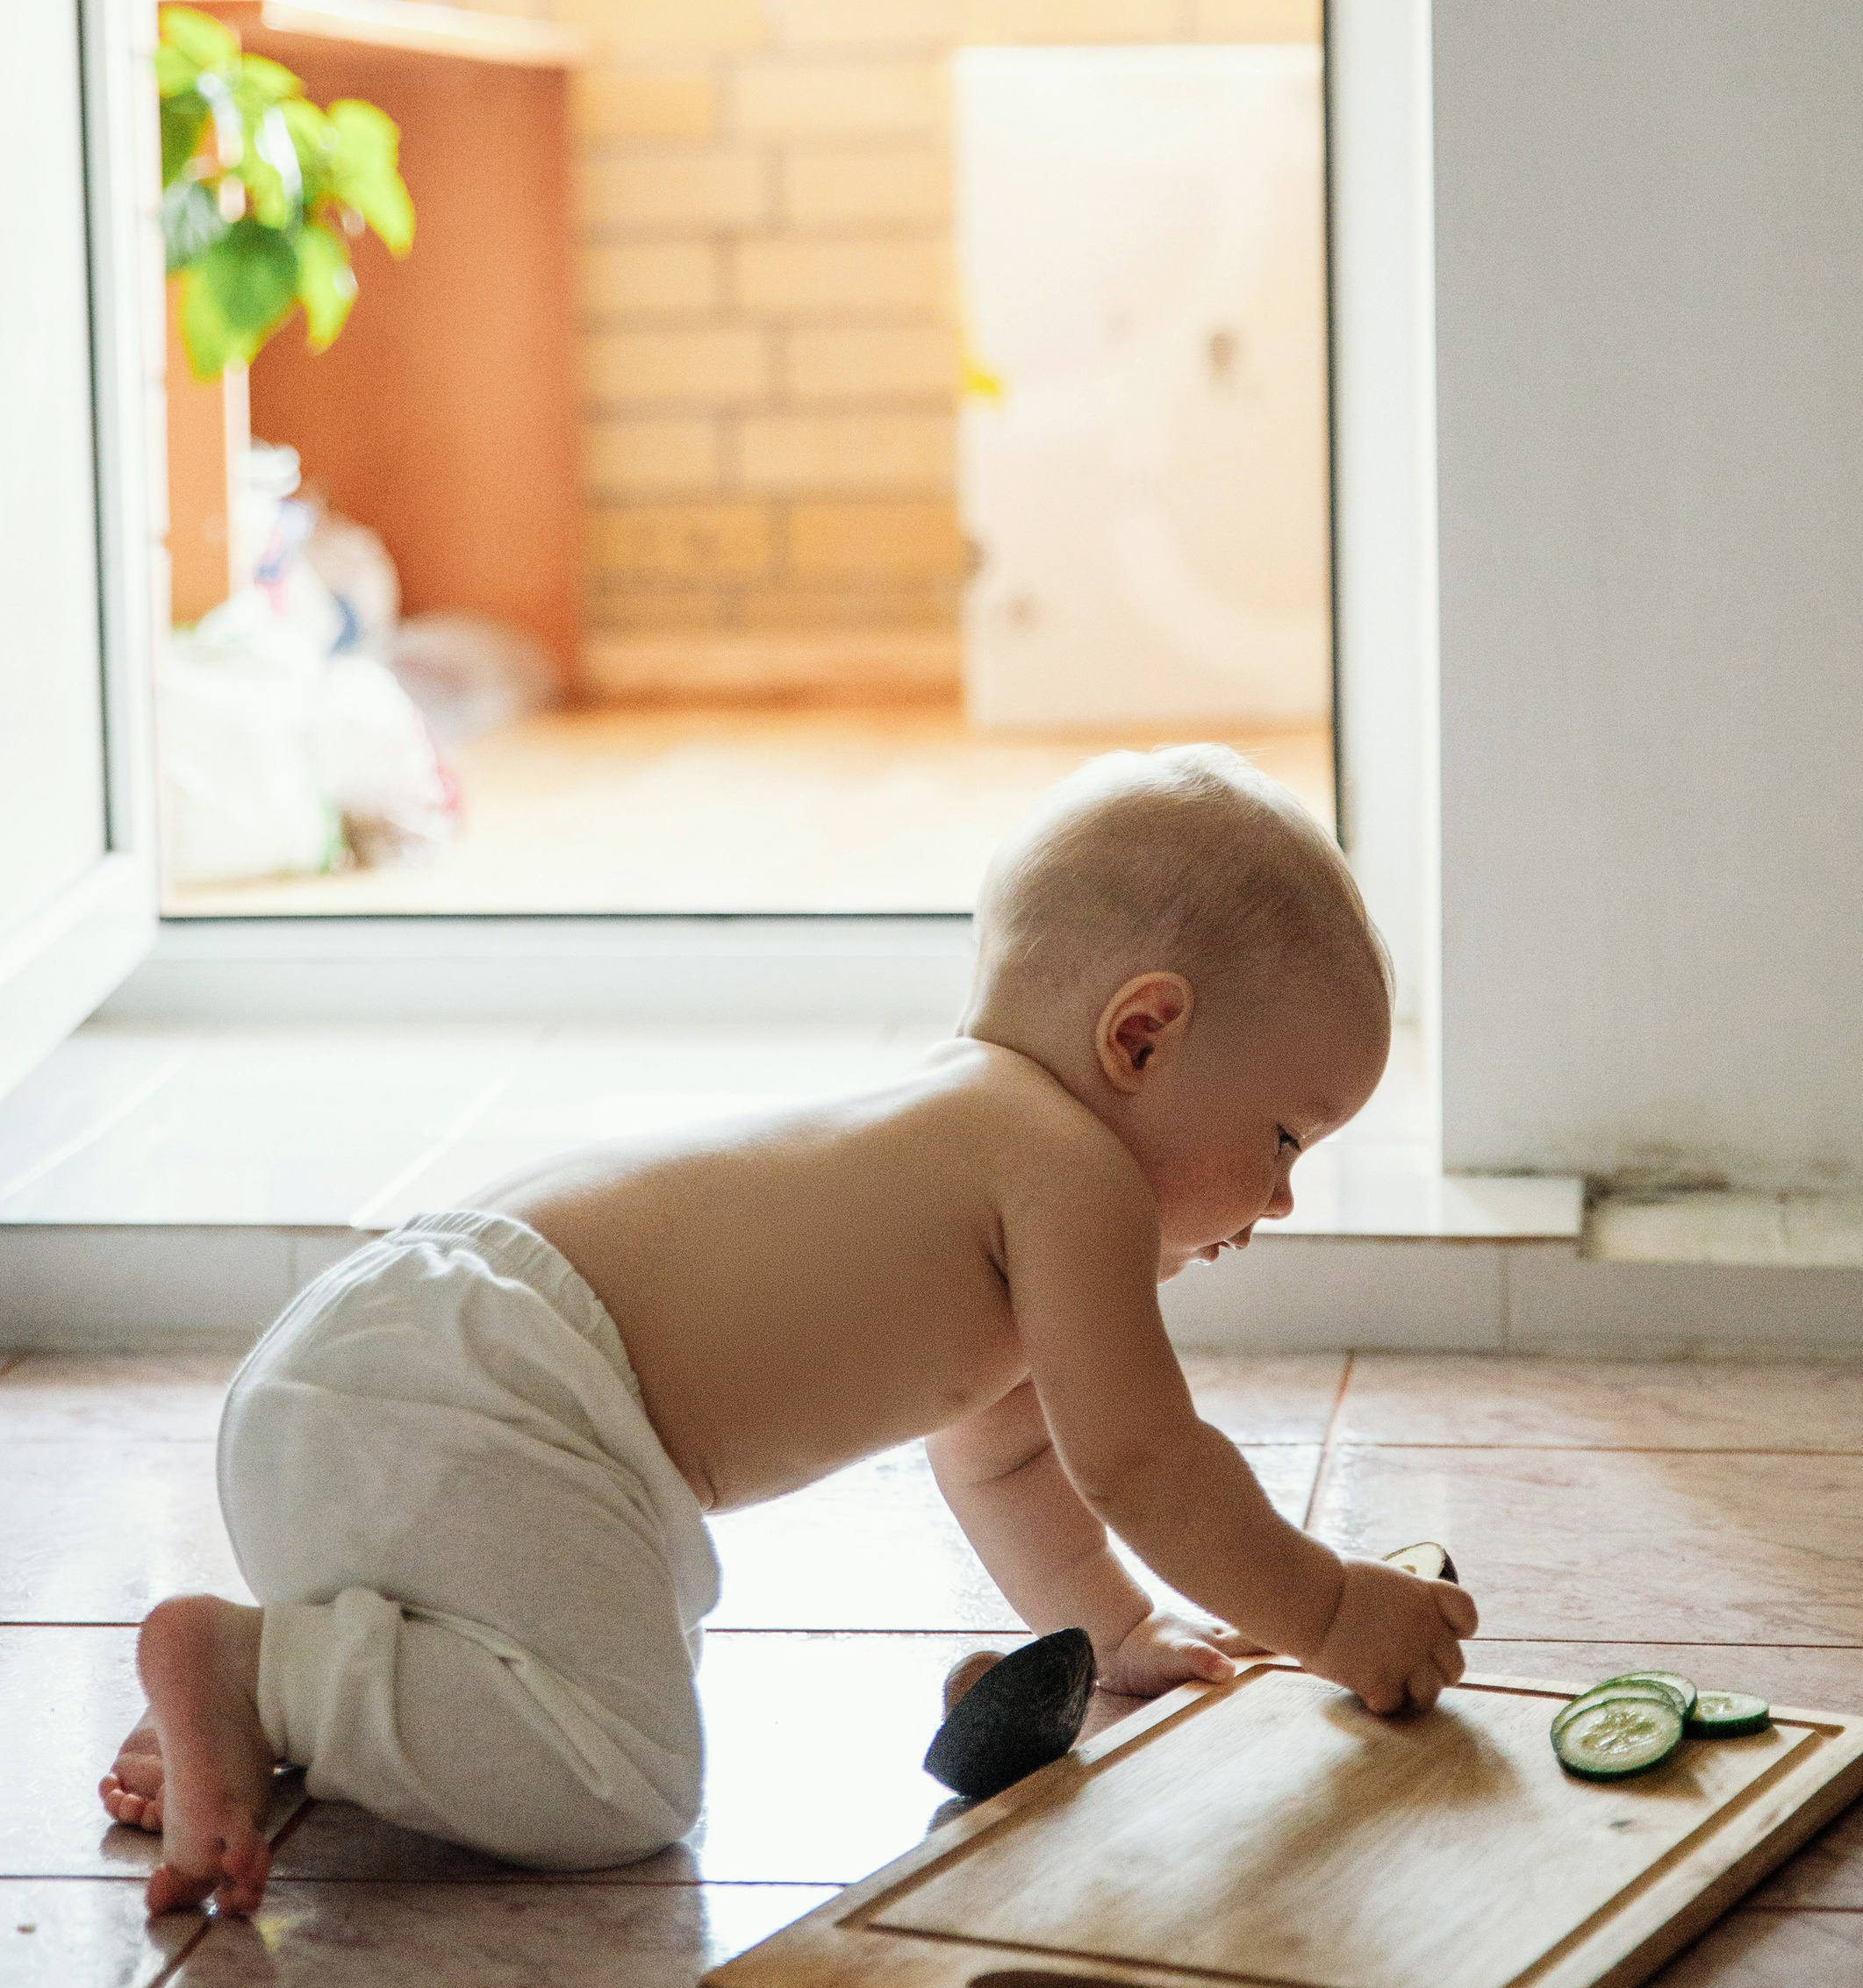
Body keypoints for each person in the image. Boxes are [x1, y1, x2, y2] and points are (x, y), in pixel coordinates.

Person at [103, 744, 1480, 1914]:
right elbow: (1146, 1461)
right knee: (627, 1771)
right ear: (1140, 1040)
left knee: (576, 1660)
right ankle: (256, 1670)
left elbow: (1006, 1464)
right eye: (1285, 1137)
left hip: (392, 1370)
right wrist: (1333, 1610)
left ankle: (302, 1704)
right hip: (491, 1388)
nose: (1286, 1196)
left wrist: (1113, 1629)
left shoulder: (974, 1137)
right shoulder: (1065, 1168)